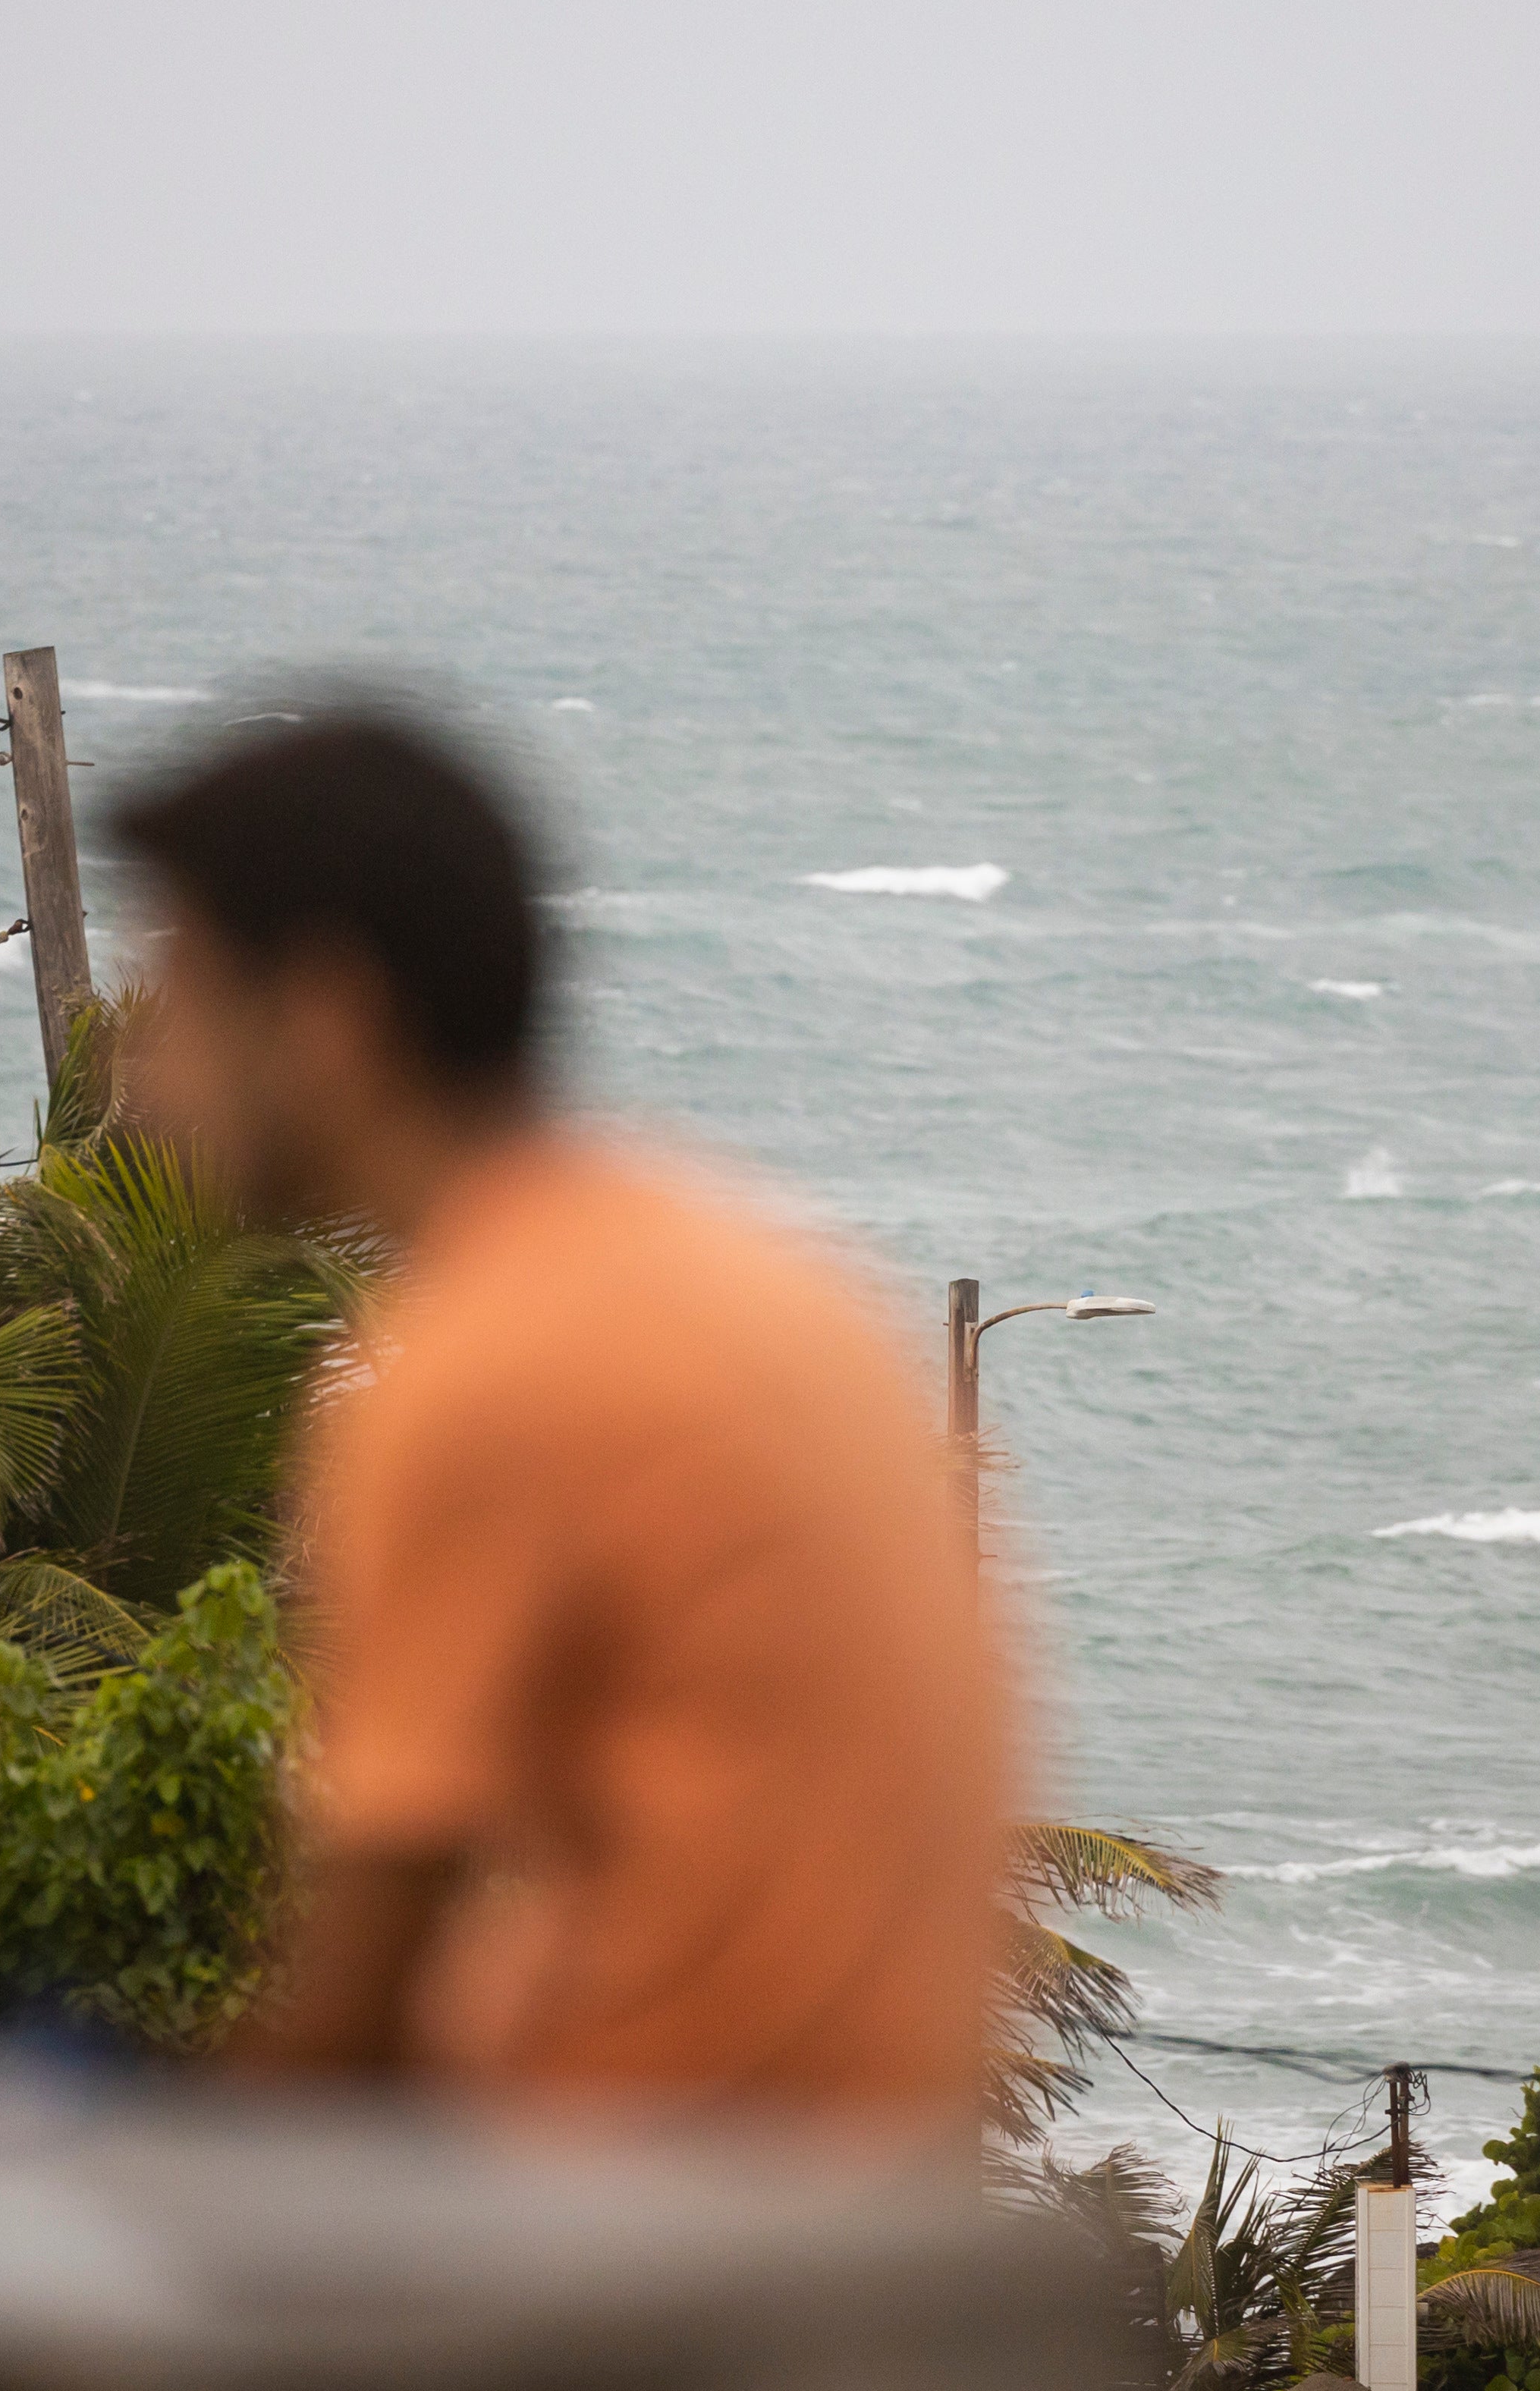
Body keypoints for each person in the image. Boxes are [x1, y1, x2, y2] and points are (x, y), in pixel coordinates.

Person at [111, 705, 1015, 2135]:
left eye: (180, 1002)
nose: (139, 1075)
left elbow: (353, 2015)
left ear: (325, 1018)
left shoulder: (480, 1365)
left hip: (647, 2227)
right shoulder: (733, 1262)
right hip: (854, 2190)